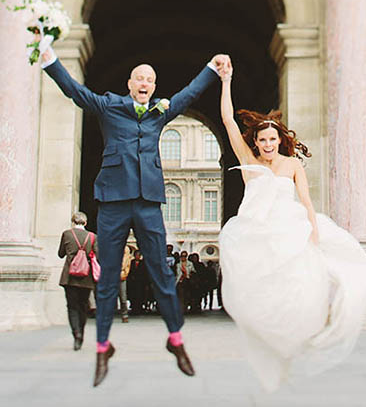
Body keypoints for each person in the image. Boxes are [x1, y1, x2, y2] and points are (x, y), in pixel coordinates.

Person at [41, 45, 229, 386]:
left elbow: (188, 94)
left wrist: (211, 69)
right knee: (109, 276)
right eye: (140, 77)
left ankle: (176, 340)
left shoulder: (161, 111)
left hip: (148, 200)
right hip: (113, 199)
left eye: (150, 79)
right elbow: (76, 92)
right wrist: (50, 61)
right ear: (130, 83)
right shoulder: (110, 106)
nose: (145, 82)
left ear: (154, 87)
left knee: (160, 270)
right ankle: (102, 348)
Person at [217, 60, 366, 392]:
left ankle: (308, 330)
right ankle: (274, 339)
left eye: (273, 139)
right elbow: (228, 120)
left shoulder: (292, 165)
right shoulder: (248, 162)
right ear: (255, 142)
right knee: (263, 295)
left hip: (291, 231)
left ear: (279, 140)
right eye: (263, 140)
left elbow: (306, 201)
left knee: (309, 283)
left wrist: (313, 231)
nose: (269, 144)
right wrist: (226, 80)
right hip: (258, 235)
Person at [58, 211, 98, 351]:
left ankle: (76, 333)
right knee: (83, 306)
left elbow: (61, 253)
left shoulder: (67, 234)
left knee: (72, 307)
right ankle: (82, 331)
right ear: (85, 223)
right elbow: (97, 256)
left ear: (73, 222)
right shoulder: (92, 237)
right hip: (86, 277)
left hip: (70, 276)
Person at [127, 249, 148, 315]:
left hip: (141, 283)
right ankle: (134, 308)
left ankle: (140, 308)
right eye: (136, 255)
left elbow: (145, 273)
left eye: (139, 255)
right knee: (133, 296)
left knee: (140, 296)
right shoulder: (131, 262)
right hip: (133, 283)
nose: (137, 256)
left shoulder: (143, 263)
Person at [119, 244, 132, 323]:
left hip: (121, 275)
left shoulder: (125, 248)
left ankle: (124, 314)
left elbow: (126, 263)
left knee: (123, 296)